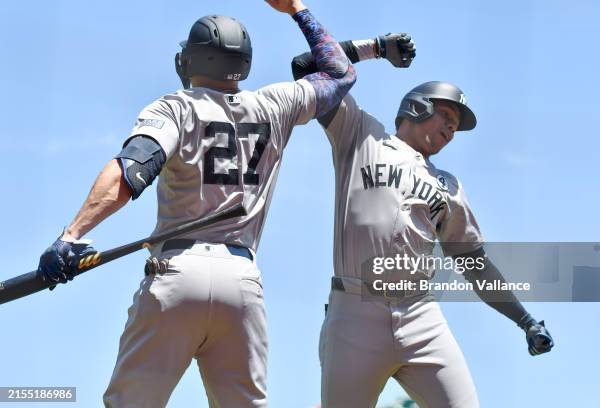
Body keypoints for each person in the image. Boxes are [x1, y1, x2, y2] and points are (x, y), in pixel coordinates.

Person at [36, 1, 356, 407]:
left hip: (177, 274)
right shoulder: (277, 104)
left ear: (191, 58)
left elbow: (132, 170)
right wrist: (297, 9)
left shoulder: (175, 107)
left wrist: (70, 236)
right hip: (242, 283)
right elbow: (339, 71)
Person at [291, 35, 554, 408]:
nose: (451, 129)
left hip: (420, 314)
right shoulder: (361, 135)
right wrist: (376, 48)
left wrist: (525, 320)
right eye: (446, 116)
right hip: (355, 311)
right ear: (415, 107)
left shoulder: (448, 185)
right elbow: (305, 68)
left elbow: (473, 263)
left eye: (455, 125)